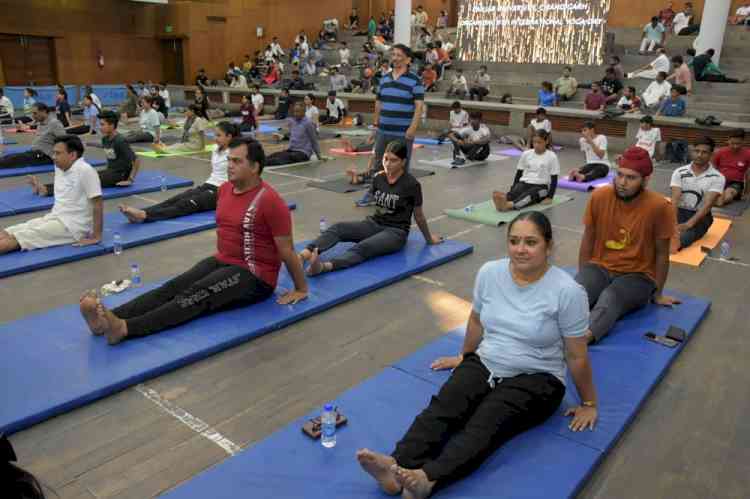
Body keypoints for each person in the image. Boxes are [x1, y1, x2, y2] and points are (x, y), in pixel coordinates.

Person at [357, 211, 597, 499]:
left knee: (486, 421)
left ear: (549, 245)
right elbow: (476, 320)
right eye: (514, 241)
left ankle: (427, 479)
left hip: (538, 377)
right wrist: (466, 357)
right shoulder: (490, 273)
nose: (521, 249)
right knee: (445, 405)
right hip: (488, 360)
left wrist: (588, 402)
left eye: (531, 242)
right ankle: (395, 467)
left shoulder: (568, 292)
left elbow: (576, 355)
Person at [80, 137, 308, 345]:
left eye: (237, 161)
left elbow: (286, 250)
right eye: (228, 160)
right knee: (173, 286)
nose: (229, 165)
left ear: (255, 167)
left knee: (196, 294)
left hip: (255, 276)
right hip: (224, 260)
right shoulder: (225, 190)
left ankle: (125, 328)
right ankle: (109, 319)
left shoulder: (270, 201)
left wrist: (300, 288)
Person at [575, 146, 679, 344]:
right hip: (600, 267)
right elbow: (588, 239)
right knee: (575, 294)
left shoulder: (660, 207)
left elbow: (661, 254)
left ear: (646, 180)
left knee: (609, 297)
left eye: (631, 178)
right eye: (620, 175)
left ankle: (581, 340)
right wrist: (583, 276)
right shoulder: (599, 197)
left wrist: (658, 293)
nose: (622, 183)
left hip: (638, 276)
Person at [301, 139, 441, 276]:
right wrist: (355, 177)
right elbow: (362, 182)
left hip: (396, 233)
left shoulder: (411, 184)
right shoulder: (379, 177)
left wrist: (429, 239)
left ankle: (324, 267)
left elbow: (419, 215)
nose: (388, 164)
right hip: (373, 224)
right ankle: (303, 255)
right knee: (338, 228)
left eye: (394, 160)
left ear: (403, 162)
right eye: (386, 159)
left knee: (364, 247)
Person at [1, 136, 102, 254]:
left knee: (16, 239)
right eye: (53, 152)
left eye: (58, 153)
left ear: (72, 155)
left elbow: (98, 204)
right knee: (9, 231)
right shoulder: (59, 167)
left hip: (73, 227)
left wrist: (96, 236)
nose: (53, 157)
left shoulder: (86, 171)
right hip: (55, 217)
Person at [120, 122, 238, 224]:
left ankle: (144, 216)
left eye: (219, 135)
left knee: (186, 204)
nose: (215, 138)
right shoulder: (215, 150)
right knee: (177, 198)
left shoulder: (234, 153)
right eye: (215, 135)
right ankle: (144, 211)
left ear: (229, 137)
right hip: (208, 184)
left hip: (222, 191)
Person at [363, 43, 423, 206]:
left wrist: (413, 127)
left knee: (401, 167)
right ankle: (373, 194)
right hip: (383, 130)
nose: (395, 58)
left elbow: (419, 106)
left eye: (399, 55)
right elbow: (378, 103)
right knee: (379, 164)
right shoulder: (384, 78)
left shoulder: (415, 80)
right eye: (393, 55)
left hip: (403, 132)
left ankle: (400, 197)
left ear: (408, 59)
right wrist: (376, 126)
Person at [34, 111, 140, 193]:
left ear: (112, 125)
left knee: (85, 182)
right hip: (110, 172)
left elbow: (136, 160)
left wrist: (130, 179)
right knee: (81, 176)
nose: (100, 127)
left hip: (120, 175)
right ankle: (46, 187)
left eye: (102, 124)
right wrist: (89, 143)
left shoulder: (120, 141)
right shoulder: (105, 139)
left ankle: (47, 190)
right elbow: (103, 146)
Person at [669, 137, 725, 253]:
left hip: (700, 217)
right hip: (678, 212)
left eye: (704, 152)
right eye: (697, 151)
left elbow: (707, 205)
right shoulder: (679, 172)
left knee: (677, 243)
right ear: (692, 151)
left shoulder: (718, 177)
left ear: (711, 155)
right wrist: (673, 223)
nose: (699, 155)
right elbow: (674, 199)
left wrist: (688, 225)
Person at [493, 130, 559, 212]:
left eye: (539, 142)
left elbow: (554, 178)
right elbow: (519, 173)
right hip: (525, 183)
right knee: (516, 191)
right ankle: (505, 199)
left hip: (541, 187)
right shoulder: (526, 154)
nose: (536, 145)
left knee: (529, 195)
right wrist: (513, 188)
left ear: (546, 141)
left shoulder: (552, 156)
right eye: (534, 142)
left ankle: (509, 205)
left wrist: (550, 197)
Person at [0, 103, 65, 169]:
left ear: (44, 112)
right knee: (9, 156)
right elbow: (33, 127)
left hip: (44, 156)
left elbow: (65, 140)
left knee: (14, 159)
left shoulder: (55, 123)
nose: (33, 116)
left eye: (35, 113)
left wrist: (59, 157)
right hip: (35, 153)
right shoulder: (41, 123)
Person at [266, 102, 321, 166]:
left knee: (282, 158)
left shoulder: (308, 123)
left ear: (303, 112)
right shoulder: (293, 121)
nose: (295, 114)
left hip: (303, 153)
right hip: (292, 150)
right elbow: (293, 135)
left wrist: (319, 156)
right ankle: (262, 160)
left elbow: (314, 140)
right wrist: (282, 137)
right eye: (294, 111)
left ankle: (263, 163)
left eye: (297, 112)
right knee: (275, 154)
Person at [713, 129, 750, 207]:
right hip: (720, 181)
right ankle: (717, 197)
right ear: (728, 140)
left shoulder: (748, 154)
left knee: (729, 193)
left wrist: (747, 191)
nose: (735, 146)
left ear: (743, 141)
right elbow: (713, 169)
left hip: (736, 183)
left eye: (738, 144)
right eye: (732, 143)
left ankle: (720, 199)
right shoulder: (720, 152)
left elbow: (748, 174)